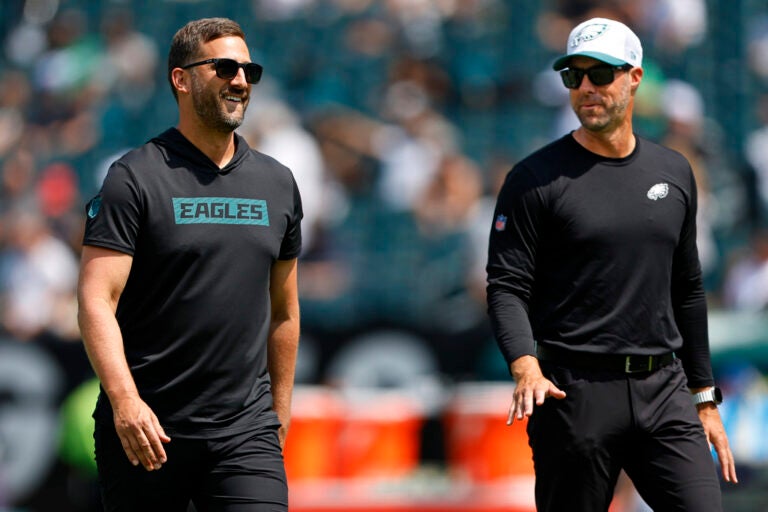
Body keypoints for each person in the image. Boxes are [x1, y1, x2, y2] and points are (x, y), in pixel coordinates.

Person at [485, 17, 737, 511]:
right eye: (573, 76)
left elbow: (687, 286)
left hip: (663, 388)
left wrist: (704, 395)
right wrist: (524, 365)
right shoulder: (534, 179)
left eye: (600, 74)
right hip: (574, 391)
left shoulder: (673, 170)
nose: (585, 88)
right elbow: (506, 286)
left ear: (635, 77)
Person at [77, 17, 302, 511]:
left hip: (246, 434)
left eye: (249, 70)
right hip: (149, 433)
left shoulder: (278, 183)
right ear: (181, 79)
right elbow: (96, 301)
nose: (240, 80)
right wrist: (125, 402)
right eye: (224, 67)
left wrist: (278, 413)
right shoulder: (132, 178)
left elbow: (285, 310)